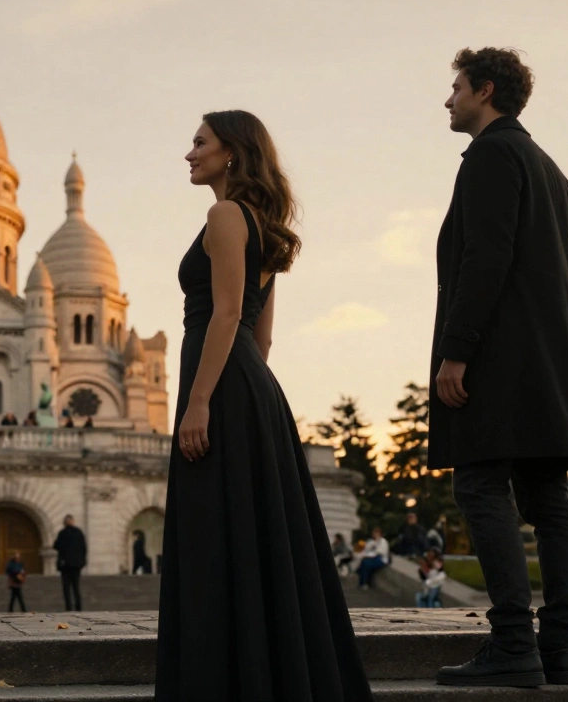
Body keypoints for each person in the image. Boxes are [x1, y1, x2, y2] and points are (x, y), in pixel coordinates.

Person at [155, 110, 372, 701]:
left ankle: (219, 677)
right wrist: (245, 402)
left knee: (214, 538)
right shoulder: (265, 228)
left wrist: (199, 402)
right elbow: (262, 338)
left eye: (199, 142)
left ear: (232, 153)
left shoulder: (225, 215)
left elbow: (226, 315)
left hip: (219, 386)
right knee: (249, 539)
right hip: (250, 386)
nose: (189, 153)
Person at [430, 48, 568, 689]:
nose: (447, 100)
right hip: (549, 357)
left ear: (485, 90)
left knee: (480, 485)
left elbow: (485, 258)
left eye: (456, 88)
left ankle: (512, 644)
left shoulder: (492, 156)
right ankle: (560, 650)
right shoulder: (552, 170)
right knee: (549, 497)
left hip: (496, 355)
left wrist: (458, 349)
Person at [53, 514, 88, 611]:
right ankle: (78, 607)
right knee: (76, 587)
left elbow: (56, 546)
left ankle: (68, 607)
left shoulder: (62, 533)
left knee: (67, 588)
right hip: (76, 564)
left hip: (65, 565)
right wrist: (82, 561)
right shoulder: (78, 532)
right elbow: (84, 548)